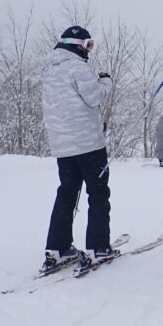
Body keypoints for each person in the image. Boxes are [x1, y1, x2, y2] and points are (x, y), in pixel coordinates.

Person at [40, 25, 115, 273]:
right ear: (77, 45)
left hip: (63, 147)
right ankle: (98, 248)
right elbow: (94, 97)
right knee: (98, 193)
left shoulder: (51, 71)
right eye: (88, 45)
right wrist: (105, 81)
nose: (89, 50)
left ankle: (57, 248)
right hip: (88, 145)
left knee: (67, 193)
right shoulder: (78, 67)